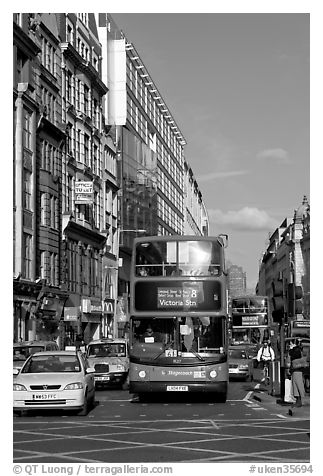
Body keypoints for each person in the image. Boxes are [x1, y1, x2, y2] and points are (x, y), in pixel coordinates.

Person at [288, 340, 306, 407]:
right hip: (295, 370)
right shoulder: (297, 349)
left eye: (290, 344)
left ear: (293, 344)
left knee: (298, 385)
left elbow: (294, 355)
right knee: (295, 386)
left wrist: (291, 349)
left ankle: (300, 401)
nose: (290, 345)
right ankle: (298, 401)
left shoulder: (296, 350)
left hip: (297, 370)